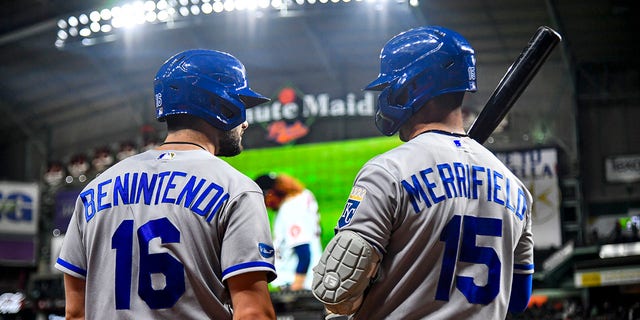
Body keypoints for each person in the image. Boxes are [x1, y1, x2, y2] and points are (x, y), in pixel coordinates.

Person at [311, 26, 534, 319]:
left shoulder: (388, 172)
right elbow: (517, 299)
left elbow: (337, 289)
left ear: (411, 87)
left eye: (390, 87)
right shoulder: (515, 187)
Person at [55, 49, 277, 320]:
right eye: (240, 103)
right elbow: (252, 313)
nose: (244, 123)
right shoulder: (236, 189)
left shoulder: (94, 189)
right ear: (222, 106)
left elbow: (75, 312)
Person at [254, 173, 323, 291]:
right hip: (313, 281)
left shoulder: (290, 209)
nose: (265, 205)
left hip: (299, 286)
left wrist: (296, 287)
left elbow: (304, 252)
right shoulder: (303, 196)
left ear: (270, 193)